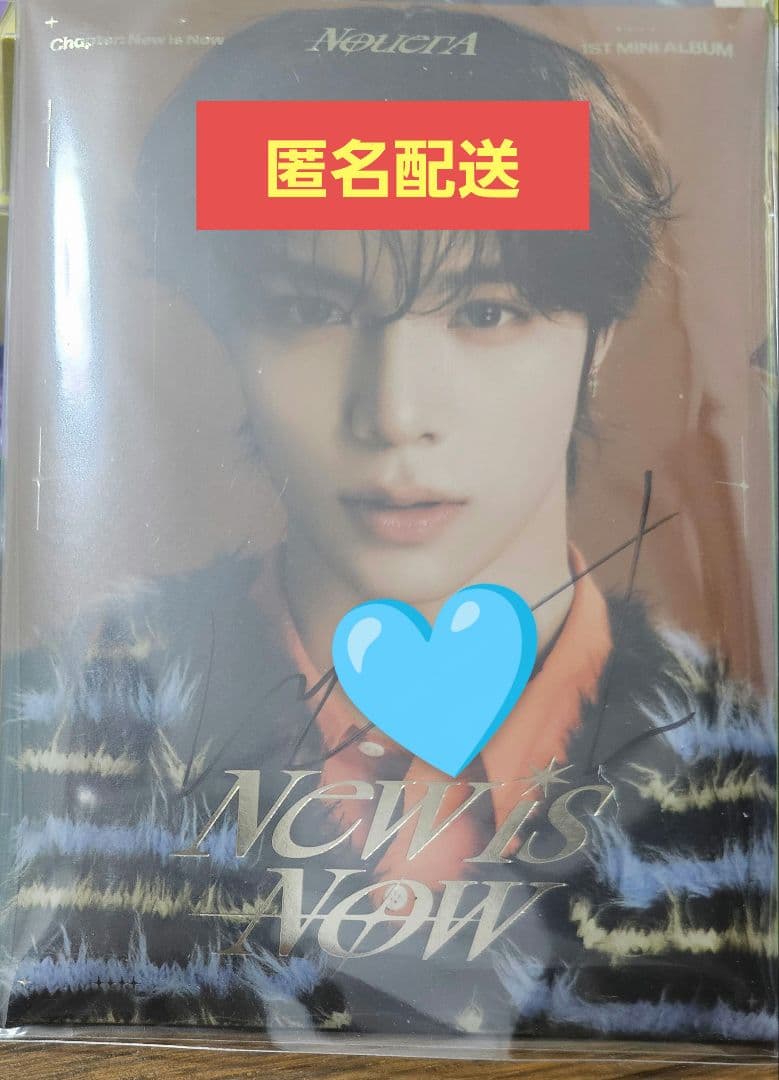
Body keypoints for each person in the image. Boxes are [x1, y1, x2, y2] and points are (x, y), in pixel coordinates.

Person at [2, 5, 776, 1046]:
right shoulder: (46, 742)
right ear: (222, 331)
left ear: (599, 337)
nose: (395, 412)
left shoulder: (745, 778)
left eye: (487, 310)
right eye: (308, 308)